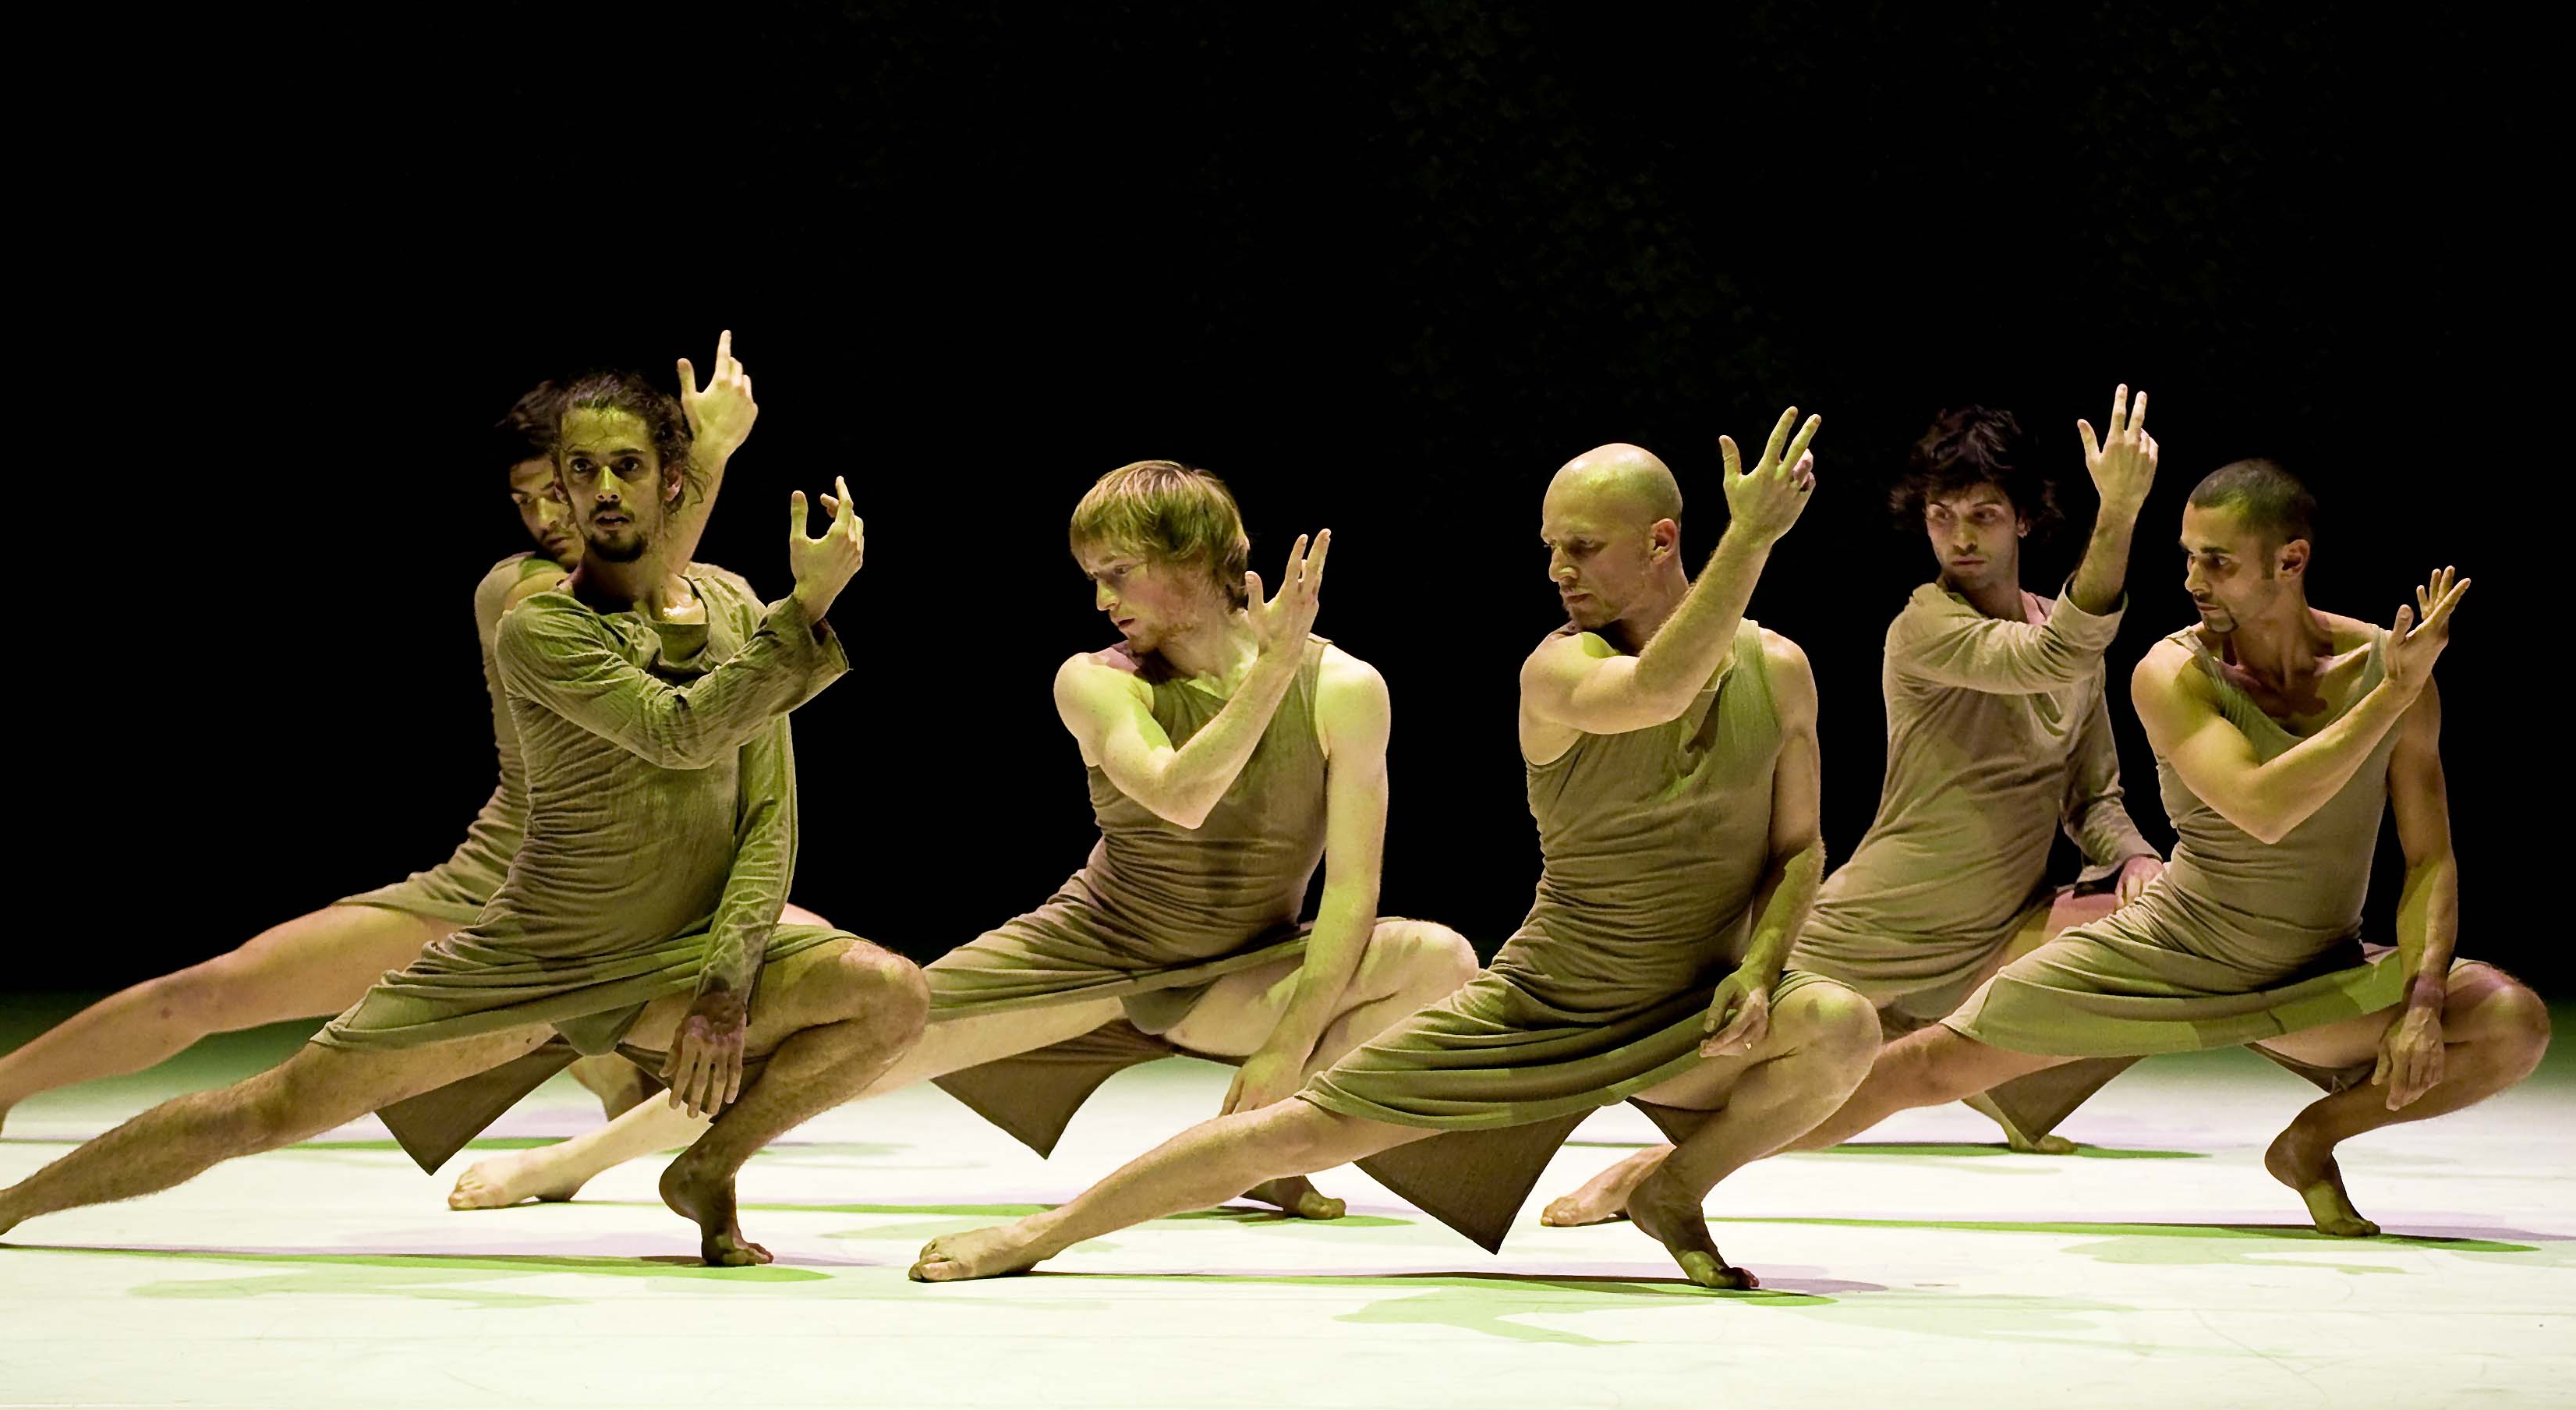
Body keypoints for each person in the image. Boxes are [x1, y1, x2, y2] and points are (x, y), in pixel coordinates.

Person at [0, 372, 921, 1268]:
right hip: (533, 940)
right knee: (266, 1104)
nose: (586, 496)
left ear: (668, 478)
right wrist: (799, 603)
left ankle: (703, 1164)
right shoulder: (533, 614)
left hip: (668, 943)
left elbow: (767, 812)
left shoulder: (733, 608)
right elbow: (678, 730)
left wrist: (727, 987)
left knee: (891, 992)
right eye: (572, 474)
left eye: (624, 467)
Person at [911, 413, 1881, 1291]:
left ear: (1662, 541)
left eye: (1581, 547)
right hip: (1549, 1003)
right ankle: (1044, 1231)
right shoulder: (1555, 669)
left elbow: (1800, 849)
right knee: (1294, 1134)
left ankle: (1673, 1187)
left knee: (1845, 1028)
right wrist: (1752, 538)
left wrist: (1761, 969)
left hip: (1691, 1009)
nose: (1557, 569)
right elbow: (1659, 691)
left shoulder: (1780, 671)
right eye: (1549, 547)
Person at [448, 460, 1479, 1220]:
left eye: (1119, 571)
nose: (1100, 597)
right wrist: (1271, 670)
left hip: (1241, 965)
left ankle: (1262, 1151)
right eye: (1093, 574)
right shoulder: (1096, 681)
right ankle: (575, 1162)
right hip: (1090, 945)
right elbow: (1180, 795)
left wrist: (1290, 1045)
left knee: (1437, 960)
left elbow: (1351, 893)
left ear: (1195, 562)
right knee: (852, 1049)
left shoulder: (1346, 688)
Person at [1767, 461, 2547, 1236]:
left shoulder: (2387, 665)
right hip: (2169, 955)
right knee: (1924, 1069)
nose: (2193, 581)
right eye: (2188, 557)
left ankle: (2310, 1142)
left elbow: (2430, 858)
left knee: (2510, 1022)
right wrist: (2389, 699)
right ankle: (1702, 1161)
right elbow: (2264, 806)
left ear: (2291, 561)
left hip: (2313, 973)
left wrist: (2421, 999)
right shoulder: (2175, 671)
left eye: (2218, 561)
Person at [1538, 388, 2164, 1226]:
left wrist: (2136, 857)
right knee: (1775, 1066)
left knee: (2162, 923)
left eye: (1983, 515)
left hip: (1999, 922)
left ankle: (2008, 1082)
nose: (1961, 536)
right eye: (1942, 516)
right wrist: (2118, 512)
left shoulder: (2065, 630)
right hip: (1887, 919)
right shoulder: (1924, 626)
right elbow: (2053, 654)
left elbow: (2094, 798)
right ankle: (1645, 1167)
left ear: (2023, 520)